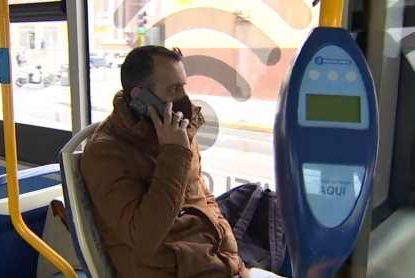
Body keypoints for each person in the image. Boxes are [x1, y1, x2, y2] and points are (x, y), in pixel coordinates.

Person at [80, 46, 281, 278]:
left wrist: (227, 245)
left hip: (217, 264)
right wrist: (173, 152)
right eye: (174, 89)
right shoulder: (106, 153)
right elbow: (144, 236)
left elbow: (204, 197)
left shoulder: (177, 130)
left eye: (183, 86)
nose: (184, 99)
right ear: (140, 97)